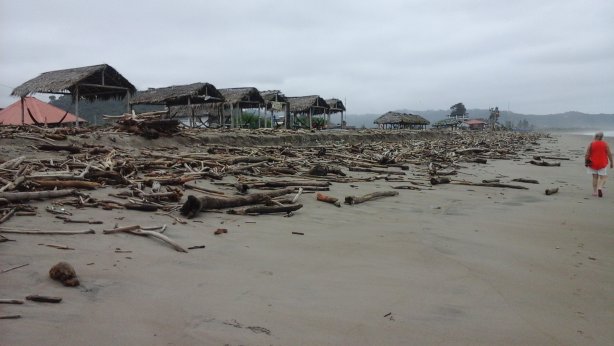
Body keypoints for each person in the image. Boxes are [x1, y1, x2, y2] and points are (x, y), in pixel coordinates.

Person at [585, 131, 613, 197]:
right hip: (602, 163)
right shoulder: (605, 144)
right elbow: (609, 154)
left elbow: (587, 154)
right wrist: (612, 162)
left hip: (593, 163)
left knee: (595, 177)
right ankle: (600, 188)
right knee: (603, 177)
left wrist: (586, 161)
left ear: (595, 136)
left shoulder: (591, 144)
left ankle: (595, 192)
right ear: (602, 137)